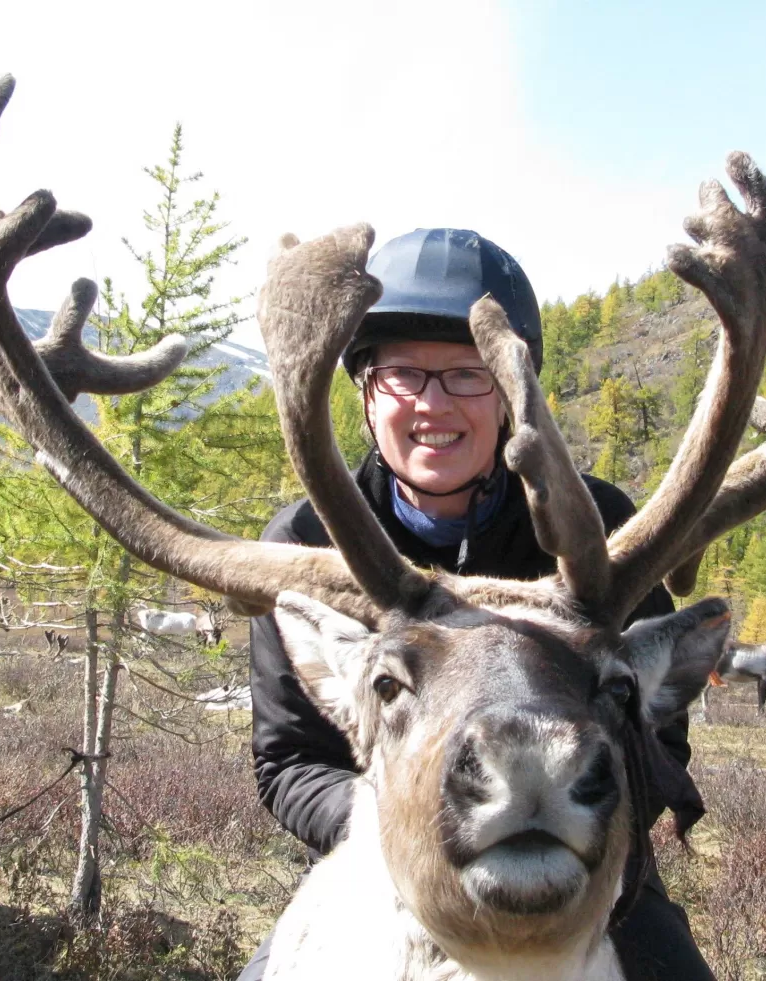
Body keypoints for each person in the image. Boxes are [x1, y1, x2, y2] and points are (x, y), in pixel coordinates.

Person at [240, 228, 714, 981]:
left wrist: (579, 830)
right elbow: (289, 761)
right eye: (402, 375)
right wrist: (403, 819)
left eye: (467, 374)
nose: (433, 404)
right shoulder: (302, 545)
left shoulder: (604, 531)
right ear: (365, 392)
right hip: (383, 865)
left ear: (509, 396)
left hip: (586, 867)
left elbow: (660, 740)